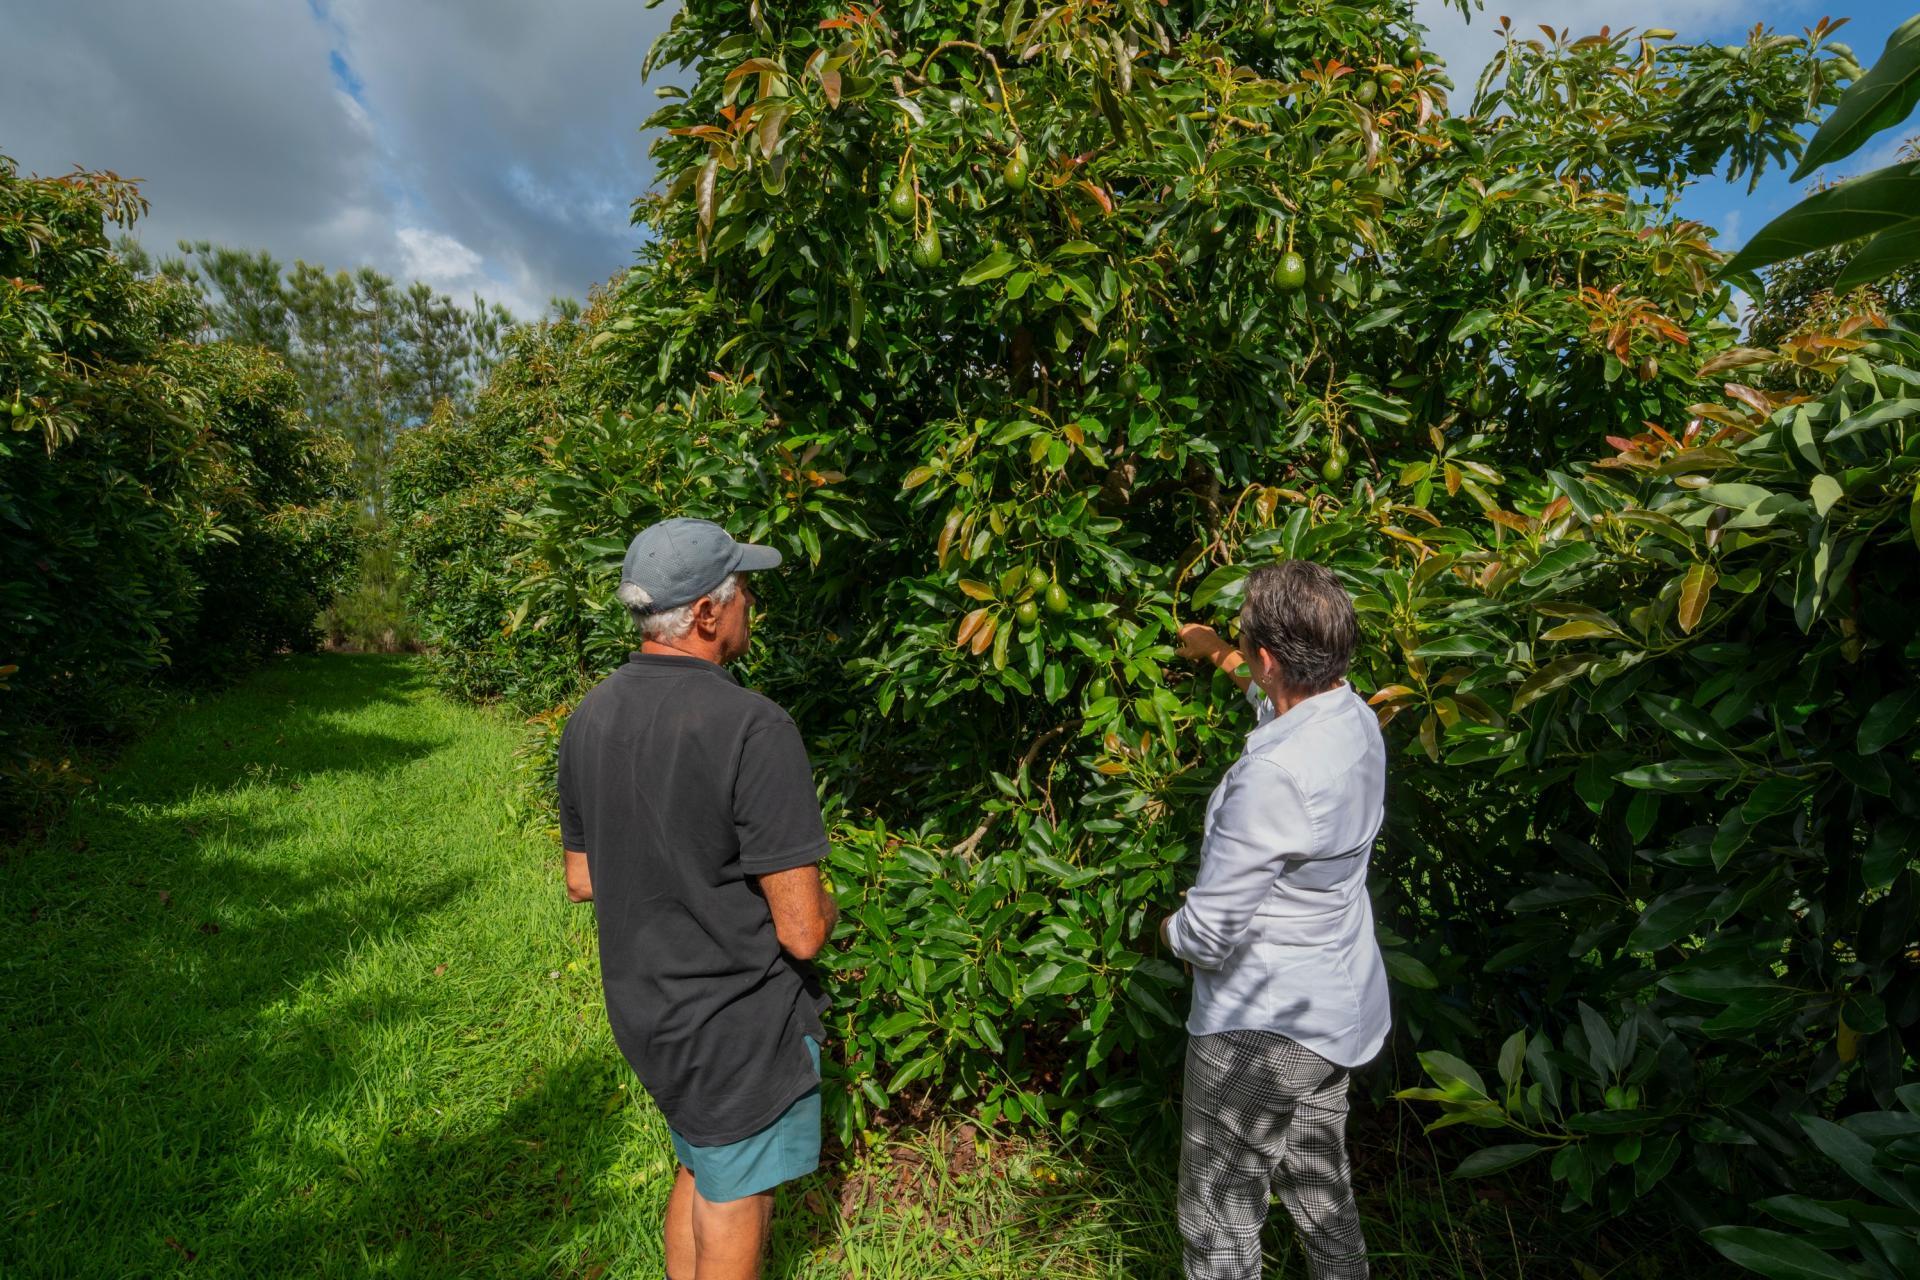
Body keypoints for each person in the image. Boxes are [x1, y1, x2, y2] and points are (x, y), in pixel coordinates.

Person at [557, 517, 838, 1280]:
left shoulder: (588, 719)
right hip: (734, 1021)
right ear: (708, 614)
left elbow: (582, 879)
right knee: (734, 1195)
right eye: (744, 591)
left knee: (701, 1166)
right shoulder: (754, 727)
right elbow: (804, 931)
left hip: (646, 1008)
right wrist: (826, 907)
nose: (751, 606)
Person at [1160, 559, 1390, 1280]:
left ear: (1271, 658)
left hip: (1260, 1027)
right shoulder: (1353, 717)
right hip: (1332, 1014)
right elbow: (1280, 706)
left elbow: (1211, 931)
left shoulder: (1273, 778)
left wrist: (1162, 932)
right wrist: (1219, 655)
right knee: (1320, 1197)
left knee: (1216, 1218)